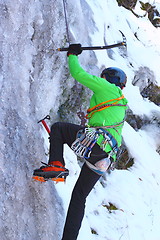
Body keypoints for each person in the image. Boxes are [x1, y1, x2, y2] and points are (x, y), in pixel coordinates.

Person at [33, 44, 128, 240]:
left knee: (58, 128)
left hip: (97, 144)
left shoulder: (108, 88)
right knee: (78, 198)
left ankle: (56, 164)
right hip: (105, 158)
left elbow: (78, 74)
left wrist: (72, 54)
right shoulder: (120, 103)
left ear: (107, 79)